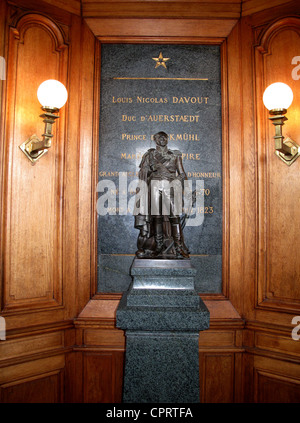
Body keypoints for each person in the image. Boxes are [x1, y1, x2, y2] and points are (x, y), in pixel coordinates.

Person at [134, 131, 189, 259]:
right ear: (155, 140)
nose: (162, 139)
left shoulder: (175, 156)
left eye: (164, 137)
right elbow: (143, 172)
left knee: (174, 216)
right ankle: (159, 247)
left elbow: (182, 173)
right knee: (156, 217)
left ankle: (179, 247)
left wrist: (181, 186)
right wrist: (147, 171)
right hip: (154, 186)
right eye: (159, 137)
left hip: (170, 186)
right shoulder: (150, 155)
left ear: (168, 139)